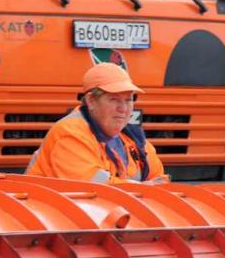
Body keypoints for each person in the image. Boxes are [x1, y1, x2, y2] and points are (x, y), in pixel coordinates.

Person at [26, 63, 165, 183]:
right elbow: (94, 189)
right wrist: (144, 190)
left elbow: (161, 180)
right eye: (114, 99)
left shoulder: (133, 138)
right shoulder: (70, 133)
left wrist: (146, 190)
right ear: (91, 101)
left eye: (128, 100)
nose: (123, 108)